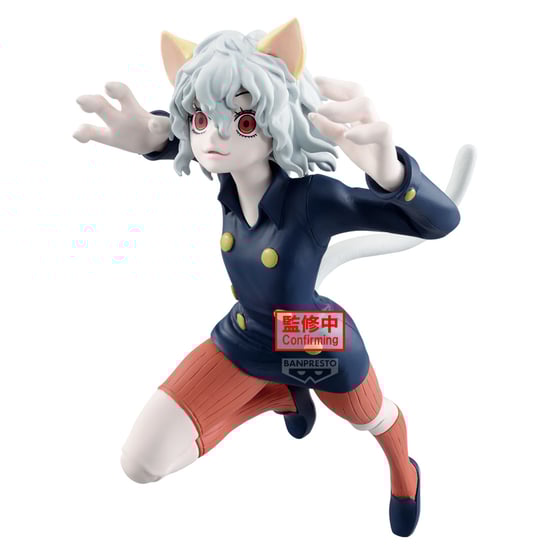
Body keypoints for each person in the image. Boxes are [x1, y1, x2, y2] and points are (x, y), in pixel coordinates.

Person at [73, 18, 462, 537]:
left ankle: (403, 473)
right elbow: (196, 139)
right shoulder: (227, 186)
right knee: (140, 463)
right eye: (201, 117)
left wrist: (392, 175)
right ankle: (280, 394)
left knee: (371, 418)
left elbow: (439, 222)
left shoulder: (314, 200)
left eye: (244, 120)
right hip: (249, 333)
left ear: (279, 120)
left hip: (314, 340)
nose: (214, 134)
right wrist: (152, 137)